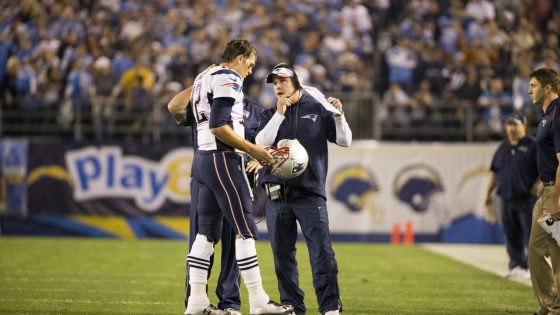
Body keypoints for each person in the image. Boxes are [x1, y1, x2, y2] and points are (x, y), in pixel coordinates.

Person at [183, 39, 294, 315]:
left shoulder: (203, 76)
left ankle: (196, 300)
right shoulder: (227, 76)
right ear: (241, 58)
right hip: (223, 158)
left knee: (206, 232)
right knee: (245, 228)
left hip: (203, 159)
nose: (250, 71)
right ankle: (258, 300)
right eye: (251, 64)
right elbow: (219, 124)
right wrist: (252, 149)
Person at [255, 63, 352, 315]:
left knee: (321, 254)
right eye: (274, 82)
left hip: (309, 195)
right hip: (276, 196)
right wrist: (279, 113)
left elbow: (345, 140)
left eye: (283, 80)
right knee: (282, 257)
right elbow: (259, 143)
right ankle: (292, 305)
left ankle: (330, 306)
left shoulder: (319, 109)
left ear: (296, 81)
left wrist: (339, 116)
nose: (277, 86)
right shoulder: (269, 114)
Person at [168, 84, 265, 315]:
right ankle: (196, 299)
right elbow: (174, 107)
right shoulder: (203, 100)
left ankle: (230, 304)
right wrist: (199, 84)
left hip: (236, 179)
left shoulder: (255, 111)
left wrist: (259, 158)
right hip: (206, 179)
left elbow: (264, 142)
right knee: (202, 238)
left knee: (235, 244)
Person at [485, 112, 538, 280]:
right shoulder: (503, 147)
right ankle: (516, 265)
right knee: (511, 234)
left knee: (531, 235)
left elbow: (545, 168)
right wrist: (487, 193)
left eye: (515, 124)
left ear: (524, 126)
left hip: (526, 198)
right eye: (509, 124)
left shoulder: (533, 145)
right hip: (506, 197)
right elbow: (493, 171)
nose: (512, 128)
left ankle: (533, 268)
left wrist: (537, 185)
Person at [527, 67, 560, 315]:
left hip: (555, 194)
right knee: (536, 249)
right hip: (546, 190)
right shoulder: (545, 115)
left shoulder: (558, 114)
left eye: (534, 85)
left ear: (548, 88)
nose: (529, 90)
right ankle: (548, 304)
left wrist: (557, 197)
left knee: (557, 252)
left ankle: (556, 307)